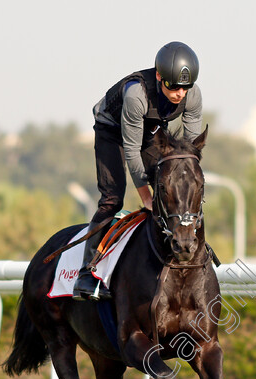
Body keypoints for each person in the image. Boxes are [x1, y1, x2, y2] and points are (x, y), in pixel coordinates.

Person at [73, 41, 203, 301]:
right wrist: (145, 197)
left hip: (149, 130)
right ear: (158, 76)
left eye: (185, 88)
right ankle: (87, 273)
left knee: (172, 190)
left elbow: (189, 152)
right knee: (112, 199)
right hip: (112, 131)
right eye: (173, 86)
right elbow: (131, 150)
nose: (179, 94)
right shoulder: (136, 95)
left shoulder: (194, 94)